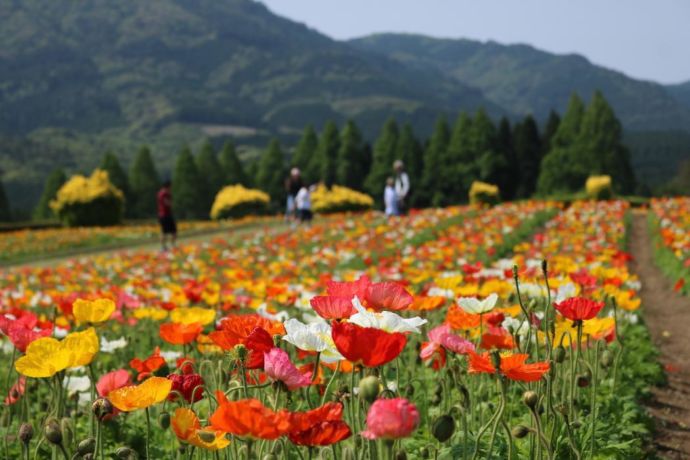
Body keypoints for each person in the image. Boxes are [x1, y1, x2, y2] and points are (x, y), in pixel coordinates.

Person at [157, 180, 177, 251]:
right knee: (166, 232)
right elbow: (167, 203)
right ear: (168, 186)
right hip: (165, 215)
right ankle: (166, 246)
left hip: (164, 214)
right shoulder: (164, 193)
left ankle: (166, 246)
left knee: (168, 231)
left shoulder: (161, 193)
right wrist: (171, 203)